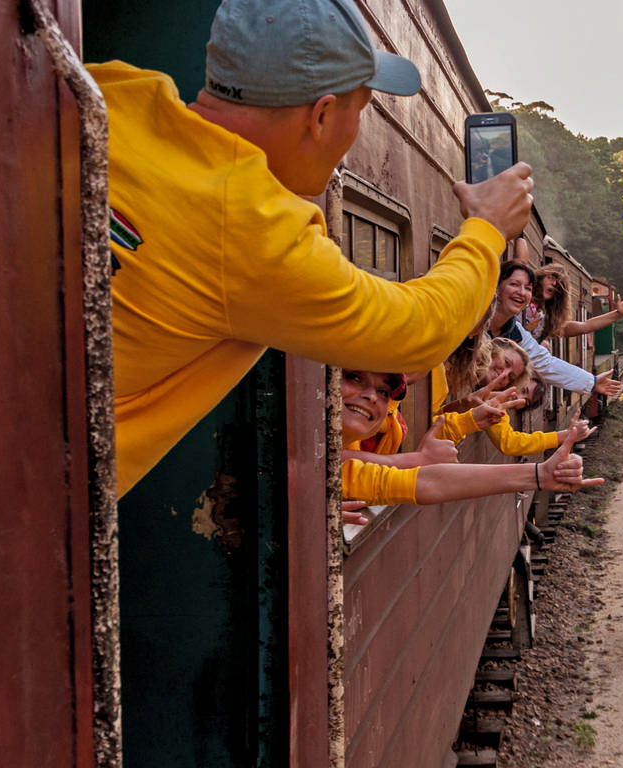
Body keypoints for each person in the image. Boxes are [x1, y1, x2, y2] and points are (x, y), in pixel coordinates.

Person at [89, 0, 535, 496]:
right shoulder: (252, 226)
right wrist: (487, 227)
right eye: (361, 109)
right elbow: (420, 330)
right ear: (322, 116)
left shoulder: (113, 91)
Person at [337, 368, 601, 524]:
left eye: (384, 392)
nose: (372, 395)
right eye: (354, 378)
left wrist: (539, 474)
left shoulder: (355, 463)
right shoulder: (333, 463)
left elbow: (430, 482)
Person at [489, 261, 623, 398]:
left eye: (527, 288)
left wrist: (591, 382)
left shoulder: (521, 329)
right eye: (514, 285)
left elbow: (546, 363)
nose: (521, 292)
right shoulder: (480, 317)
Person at [524, 261, 623, 343]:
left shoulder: (548, 321)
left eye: (560, 285)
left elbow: (586, 326)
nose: (554, 284)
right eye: (551, 277)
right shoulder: (521, 297)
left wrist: (618, 314)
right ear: (540, 277)